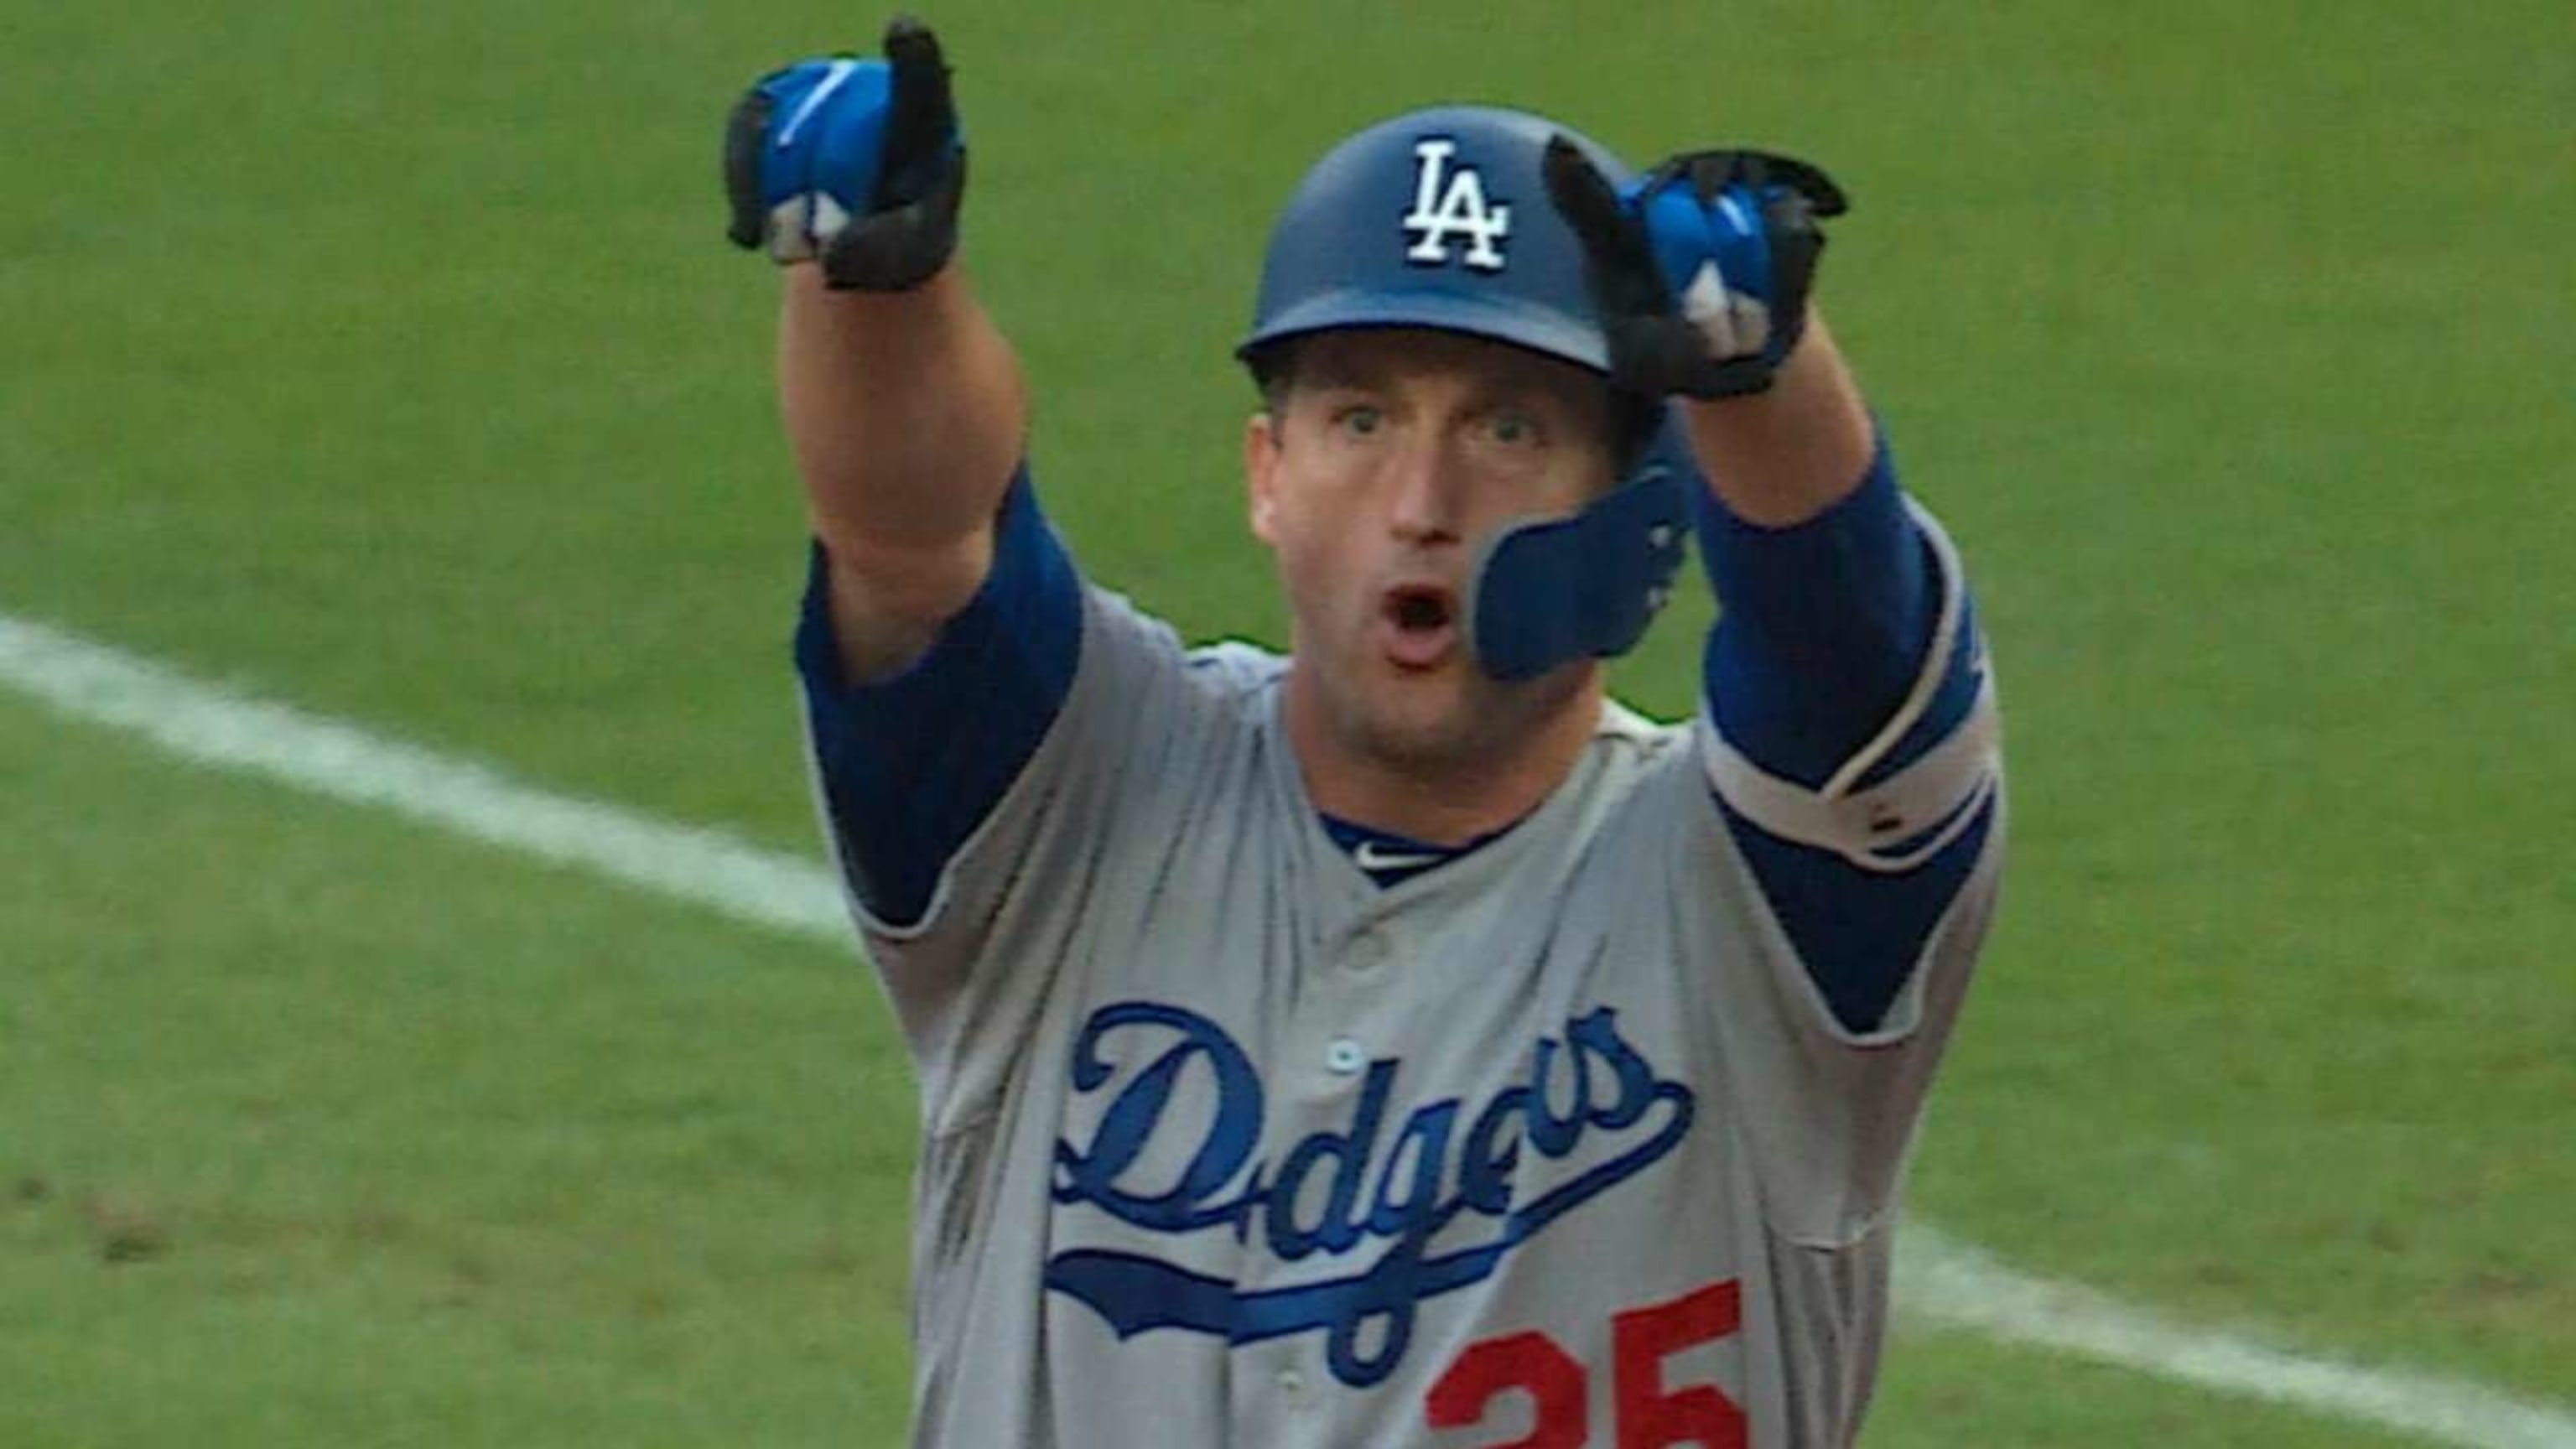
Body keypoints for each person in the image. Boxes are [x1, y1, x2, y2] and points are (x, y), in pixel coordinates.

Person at [725, 18, 2003, 1447]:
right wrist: (869, 277)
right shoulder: (1075, 793)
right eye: (1358, 418)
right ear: (1267, 474)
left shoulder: (1769, 908)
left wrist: (1757, 367)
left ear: (1637, 509)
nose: (1421, 503)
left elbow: (1846, 635)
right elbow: (911, 535)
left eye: (1510, 430)